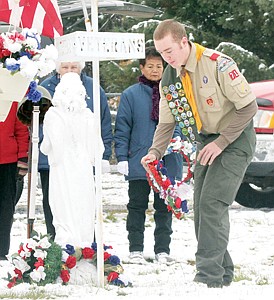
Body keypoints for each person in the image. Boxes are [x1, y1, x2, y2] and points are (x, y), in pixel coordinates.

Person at [141, 19, 257, 288]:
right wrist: (154, 152)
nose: (166, 58)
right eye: (161, 53)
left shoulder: (217, 63)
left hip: (236, 138)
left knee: (212, 204)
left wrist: (222, 142)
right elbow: (167, 122)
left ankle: (207, 277)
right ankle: (223, 273)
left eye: (169, 51)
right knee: (202, 209)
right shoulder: (170, 76)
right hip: (206, 141)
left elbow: (248, 107)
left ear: (184, 42)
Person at [114, 46, 183, 265]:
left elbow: (182, 122)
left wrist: (178, 142)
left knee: (165, 207)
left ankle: (162, 249)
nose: (155, 70)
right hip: (139, 161)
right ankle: (135, 249)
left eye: (159, 66)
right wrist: (122, 157)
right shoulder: (131, 94)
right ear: (142, 67)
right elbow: (123, 127)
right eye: (150, 66)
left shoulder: (174, 92)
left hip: (168, 160)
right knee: (136, 205)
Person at [39, 61, 113, 240]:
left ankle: (85, 245)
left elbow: (102, 130)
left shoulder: (91, 99)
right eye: (65, 67)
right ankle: (62, 244)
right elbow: (43, 141)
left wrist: (103, 157)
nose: (69, 70)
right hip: (64, 168)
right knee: (62, 206)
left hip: (74, 168)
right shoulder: (47, 94)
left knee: (77, 205)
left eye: (74, 67)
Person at [0, 101, 29, 260]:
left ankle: (1, 250)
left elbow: (21, 129)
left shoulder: (12, 96)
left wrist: (23, 158)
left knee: (5, 208)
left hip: (7, 160)